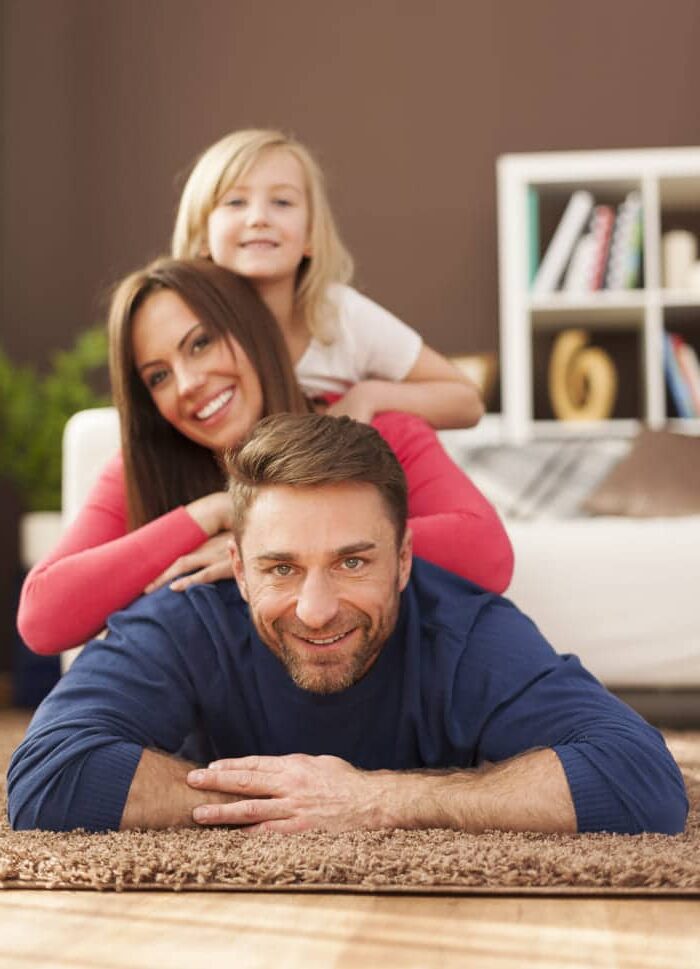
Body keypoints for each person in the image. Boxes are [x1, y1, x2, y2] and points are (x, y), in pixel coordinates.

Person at [8, 414, 687, 836]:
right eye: (280, 568)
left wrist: (379, 798)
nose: (316, 607)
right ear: (237, 568)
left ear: (403, 559)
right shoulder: (184, 614)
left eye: (352, 560)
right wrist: (277, 802)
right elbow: (43, 776)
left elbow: (643, 780)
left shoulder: (461, 627)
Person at [17, 259, 513, 656]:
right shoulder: (140, 470)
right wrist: (211, 512)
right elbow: (42, 620)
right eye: (159, 376)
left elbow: (488, 555)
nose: (189, 384)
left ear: (252, 330)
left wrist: (283, 548)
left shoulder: (379, 432)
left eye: (201, 344)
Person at [172, 128, 483, 429]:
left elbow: (467, 402)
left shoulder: (339, 313)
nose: (259, 218)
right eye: (235, 202)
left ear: (310, 235)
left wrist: (368, 395)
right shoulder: (178, 325)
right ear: (202, 236)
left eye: (282, 202)